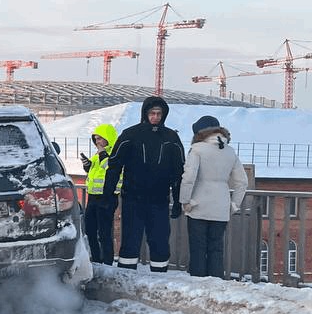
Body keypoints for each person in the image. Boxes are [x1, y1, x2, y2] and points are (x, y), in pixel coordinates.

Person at [100, 95, 185, 273]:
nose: (155, 117)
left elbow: (178, 173)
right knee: (131, 240)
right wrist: (108, 196)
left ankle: (159, 279)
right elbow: (114, 166)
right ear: (145, 114)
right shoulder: (130, 135)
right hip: (133, 198)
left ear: (164, 115)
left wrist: (178, 201)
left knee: (160, 241)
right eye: (152, 113)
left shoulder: (171, 138)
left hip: (160, 200)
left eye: (159, 113)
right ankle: (126, 277)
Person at [178, 115, 248, 278]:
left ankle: (198, 283)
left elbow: (188, 178)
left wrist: (185, 201)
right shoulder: (230, 152)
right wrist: (233, 205)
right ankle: (216, 282)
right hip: (221, 207)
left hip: (197, 205)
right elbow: (242, 182)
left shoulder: (197, 150)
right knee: (216, 248)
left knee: (198, 248)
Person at [79, 123, 121, 265]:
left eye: (100, 138)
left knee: (104, 233)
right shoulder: (97, 156)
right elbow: (97, 175)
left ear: (108, 138)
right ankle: (96, 260)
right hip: (92, 197)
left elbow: (112, 169)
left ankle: (107, 262)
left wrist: (103, 154)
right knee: (90, 231)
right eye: (95, 139)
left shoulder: (115, 154)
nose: (98, 142)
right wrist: (88, 166)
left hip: (108, 197)